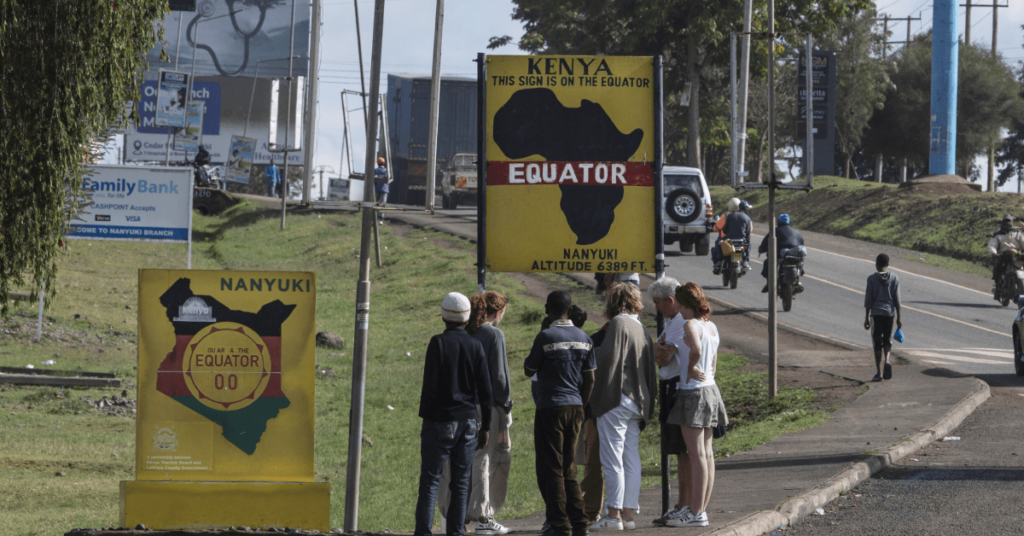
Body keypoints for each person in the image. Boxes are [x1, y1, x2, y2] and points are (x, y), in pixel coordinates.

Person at [414, 292, 493, 536]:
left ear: (443, 316)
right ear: (467, 316)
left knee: (430, 480)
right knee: (460, 483)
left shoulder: (437, 343)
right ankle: (456, 532)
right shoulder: (475, 345)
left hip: (439, 421)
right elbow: (486, 392)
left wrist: (426, 419)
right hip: (468, 422)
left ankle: (424, 532)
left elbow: (430, 386)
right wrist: (485, 427)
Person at [525, 291, 596, 536]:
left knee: (552, 467)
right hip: (575, 407)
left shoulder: (545, 336)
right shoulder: (584, 337)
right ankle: (580, 524)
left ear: (547, 309)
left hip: (550, 407)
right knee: (570, 467)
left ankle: (560, 524)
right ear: (569, 309)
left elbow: (528, 368)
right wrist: (582, 406)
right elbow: (590, 379)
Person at [588, 283, 656, 531]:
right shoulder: (641, 327)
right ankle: (627, 514)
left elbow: (607, 360)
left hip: (615, 398)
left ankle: (613, 514)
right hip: (637, 401)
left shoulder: (618, 324)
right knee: (630, 457)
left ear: (614, 302)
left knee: (611, 458)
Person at [664, 282, 720, 528]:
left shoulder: (690, 324)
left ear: (685, 304)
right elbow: (715, 360)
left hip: (692, 393)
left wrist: (690, 367)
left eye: (679, 304)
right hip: (710, 390)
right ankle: (699, 509)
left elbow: (695, 350)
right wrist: (705, 372)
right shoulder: (711, 325)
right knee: (706, 454)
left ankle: (696, 513)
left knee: (695, 455)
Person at [461, 292, 514, 534]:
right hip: (488, 406)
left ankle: (460, 515)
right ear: (498, 311)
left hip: (462, 405)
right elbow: (500, 377)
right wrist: (506, 405)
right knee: (486, 459)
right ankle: (484, 518)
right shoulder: (494, 335)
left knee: (466, 461)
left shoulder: (465, 332)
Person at [647, 276, 692, 526]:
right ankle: (681, 504)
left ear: (670, 300)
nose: (656, 308)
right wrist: (658, 348)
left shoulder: (678, 322)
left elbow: (663, 357)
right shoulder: (672, 322)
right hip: (670, 388)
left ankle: (685, 504)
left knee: (684, 451)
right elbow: (658, 351)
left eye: (658, 303)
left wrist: (658, 348)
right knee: (679, 451)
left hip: (676, 389)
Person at [864, 254, 902, 382]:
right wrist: (899, 318)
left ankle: (879, 373)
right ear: (887, 265)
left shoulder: (871, 279)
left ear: (876, 264)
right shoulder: (894, 279)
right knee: (887, 339)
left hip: (876, 314)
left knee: (877, 343)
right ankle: (887, 360)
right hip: (889, 314)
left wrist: (866, 319)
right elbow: (897, 300)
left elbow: (868, 300)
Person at [758, 213, 805, 293]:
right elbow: (801, 244)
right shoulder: (796, 232)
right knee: (799, 263)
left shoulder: (774, 231)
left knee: (767, 262)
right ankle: (797, 282)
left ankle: (769, 283)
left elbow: (765, 243)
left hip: (780, 256)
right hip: (794, 256)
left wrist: (761, 250)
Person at [986, 215, 1024, 296]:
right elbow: (992, 245)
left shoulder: (1018, 233)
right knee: (997, 266)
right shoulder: (997, 234)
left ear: (1012, 223)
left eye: (1009, 221)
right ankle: (998, 286)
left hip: (1017, 256)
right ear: (1003, 222)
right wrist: (994, 253)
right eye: (1006, 221)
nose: (1008, 223)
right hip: (1004, 256)